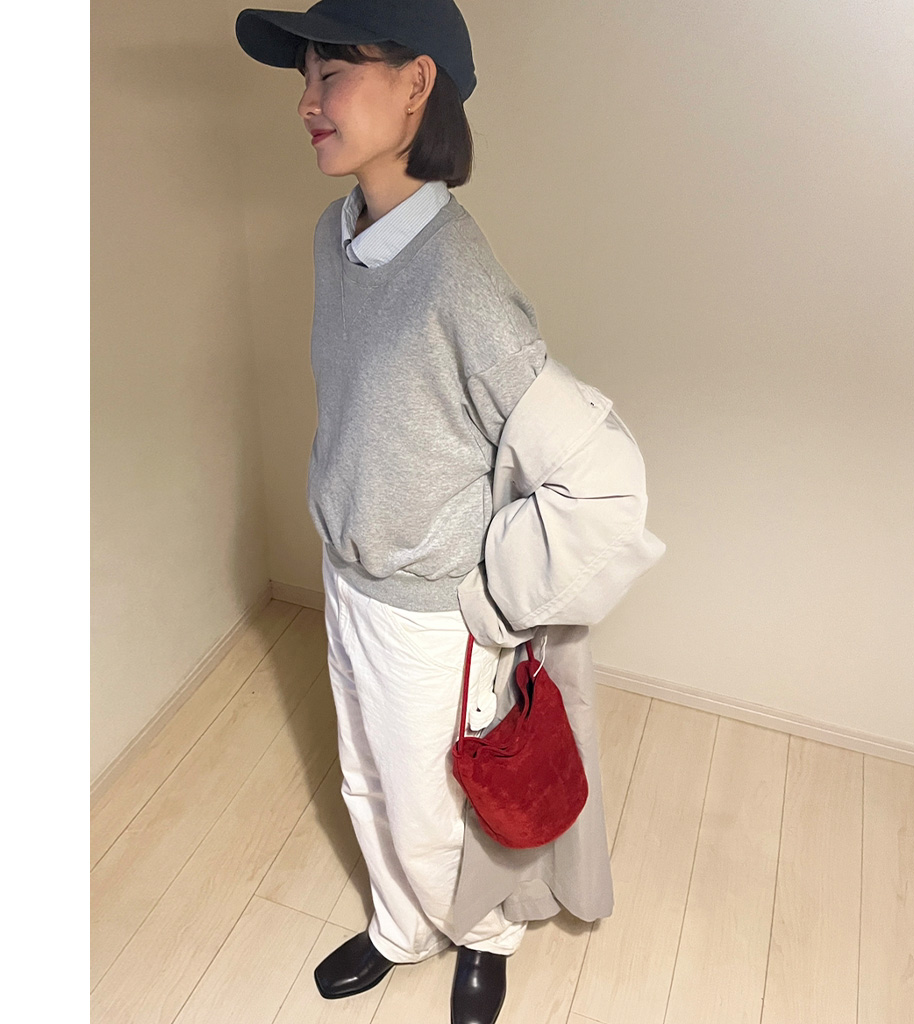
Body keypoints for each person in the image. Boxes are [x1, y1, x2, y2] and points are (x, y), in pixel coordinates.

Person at [234, 3, 666, 1022]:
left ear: (415, 84)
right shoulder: (334, 236)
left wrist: (493, 599)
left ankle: (485, 932)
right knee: (366, 774)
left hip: (433, 610)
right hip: (347, 570)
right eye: (304, 75)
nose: (306, 100)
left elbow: (605, 481)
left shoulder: (459, 279)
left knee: (437, 800)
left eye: (332, 72)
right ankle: (400, 925)